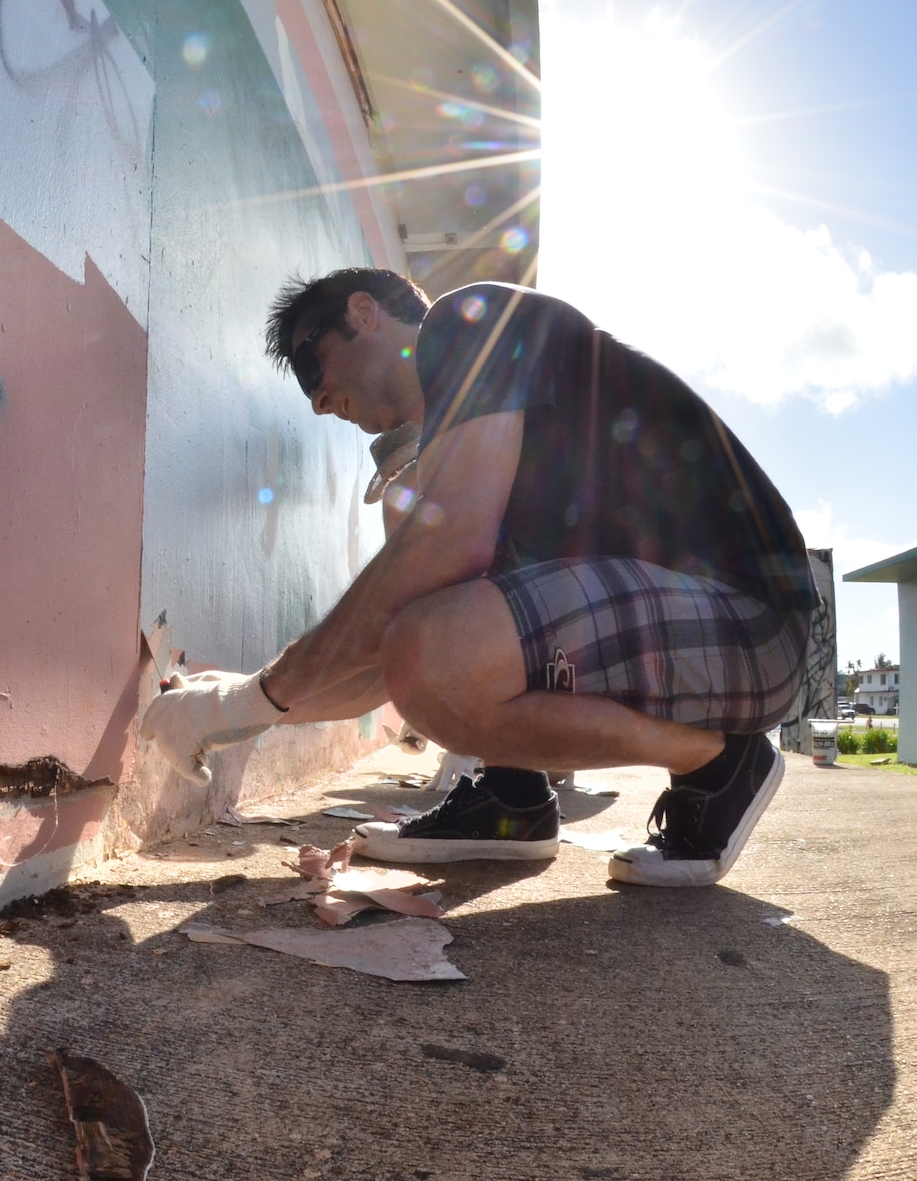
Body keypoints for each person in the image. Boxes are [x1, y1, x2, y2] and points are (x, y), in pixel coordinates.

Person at [140, 270, 820, 887]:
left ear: (365, 312)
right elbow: (382, 667)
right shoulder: (469, 438)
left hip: (749, 620)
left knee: (430, 632)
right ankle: (512, 800)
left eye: (311, 360)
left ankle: (718, 766)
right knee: (420, 602)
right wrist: (233, 706)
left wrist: (252, 700)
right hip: (704, 625)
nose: (317, 402)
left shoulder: (467, 322)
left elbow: (448, 558)